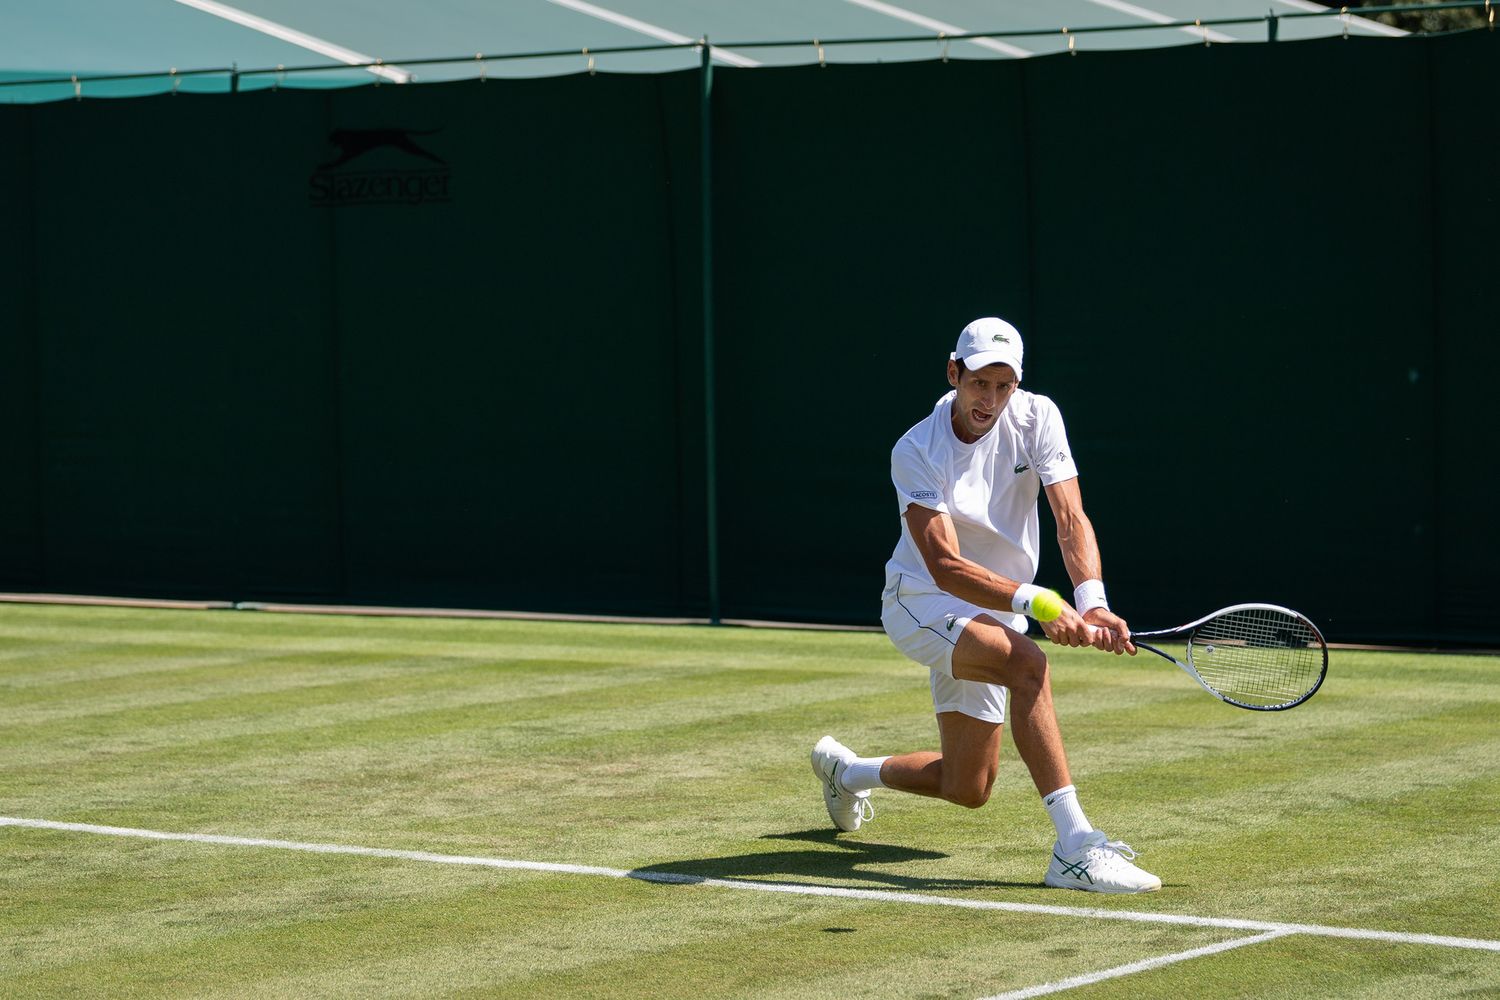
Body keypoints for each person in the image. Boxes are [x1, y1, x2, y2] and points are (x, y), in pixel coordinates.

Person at [810, 317, 1160, 894]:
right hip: (921, 602)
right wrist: (1042, 601)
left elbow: (1070, 518)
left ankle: (848, 773)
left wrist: (1091, 601)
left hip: (992, 612)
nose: (990, 400)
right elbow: (944, 564)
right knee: (1029, 665)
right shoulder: (916, 450)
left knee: (968, 785)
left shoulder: (1038, 417)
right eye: (979, 384)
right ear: (954, 373)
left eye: (1004, 387)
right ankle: (1076, 848)